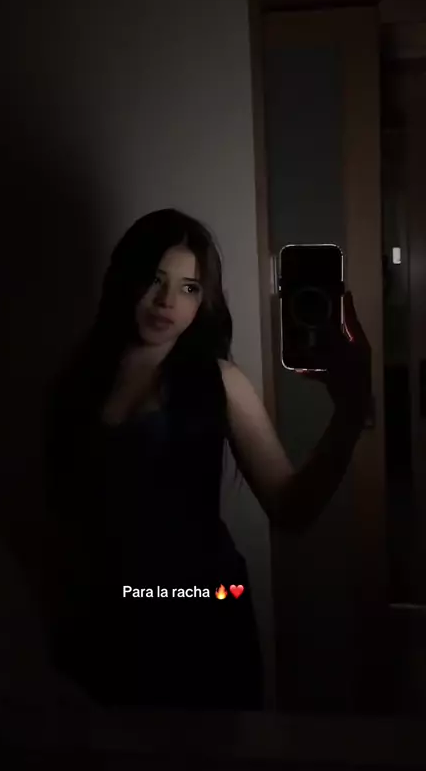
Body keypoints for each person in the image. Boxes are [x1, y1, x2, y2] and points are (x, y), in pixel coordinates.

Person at [44, 208, 372, 711]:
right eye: (155, 279)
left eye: (189, 287)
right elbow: (58, 518)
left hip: (202, 610)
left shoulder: (219, 381)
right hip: (101, 620)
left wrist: (349, 412)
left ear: (204, 300)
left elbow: (291, 508)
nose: (167, 301)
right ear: (125, 277)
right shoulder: (75, 380)